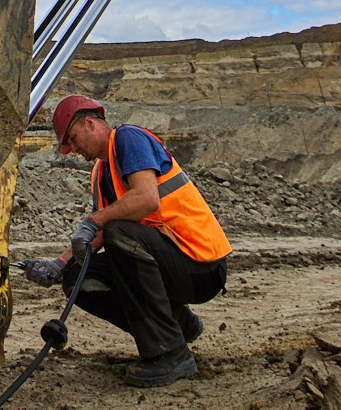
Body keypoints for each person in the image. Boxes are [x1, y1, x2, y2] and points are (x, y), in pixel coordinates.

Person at [21, 94, 231, 388]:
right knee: (78, 278)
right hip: (170, 264)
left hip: (200, 263)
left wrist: (95, 220)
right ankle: (178, 325)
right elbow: (99, 233)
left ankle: (170, 353)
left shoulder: (128, 139)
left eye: (73, 137)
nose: (73, 149)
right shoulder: (101, 172)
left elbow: (146, 200)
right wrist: (59, 264)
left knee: (120, 231)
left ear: (91, 123)